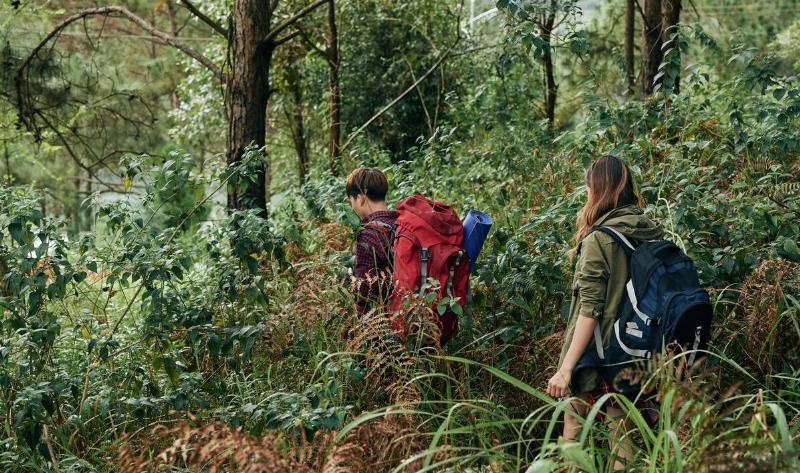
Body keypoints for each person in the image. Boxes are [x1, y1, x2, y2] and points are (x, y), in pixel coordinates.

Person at [546, 155, 664, 469]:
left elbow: (591, 309)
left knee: (572, 426)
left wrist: (566, 368)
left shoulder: (600, 239)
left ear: (597, 191)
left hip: (599, 350)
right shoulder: (649, 230)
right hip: (637, 347)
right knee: (620, 434)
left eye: (587, 189)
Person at [345, 167, 398, 314]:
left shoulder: (368, 235)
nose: (353, 207)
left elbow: (363, 296)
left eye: (351, 201)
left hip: (389, 322)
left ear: (360, 198)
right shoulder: (400, 222)